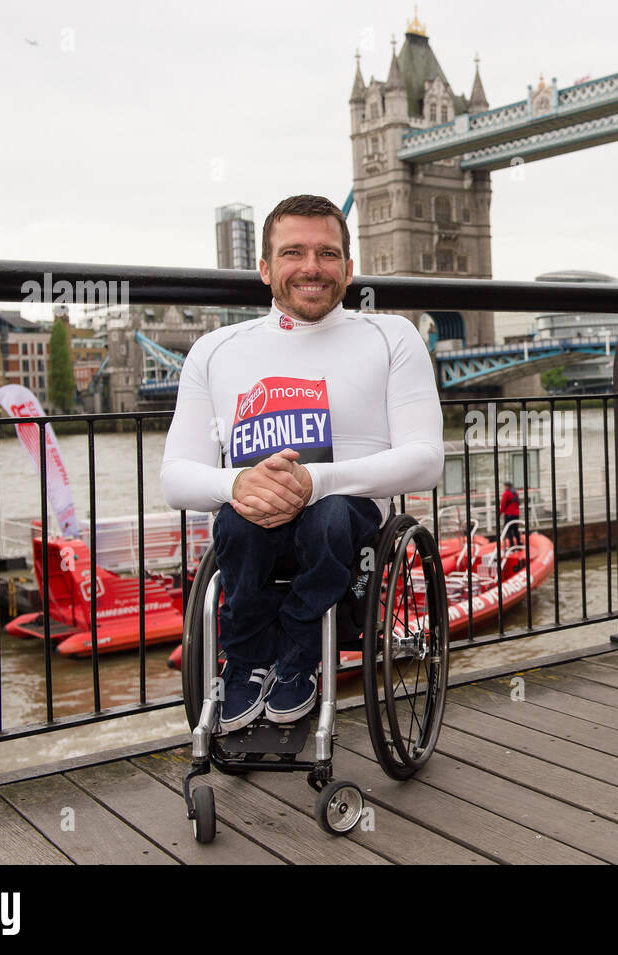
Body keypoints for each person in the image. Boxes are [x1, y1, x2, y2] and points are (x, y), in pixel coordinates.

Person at [161, 194, 444, 732]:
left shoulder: (391, 336)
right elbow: (175, 477)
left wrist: (317, 480)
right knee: (235, 518)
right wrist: (239, 481)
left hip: (350, 519)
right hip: (251, 516)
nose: (311, 267)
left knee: (329, 514)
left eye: (327, 254)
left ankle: (299, 650)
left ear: (349, 268)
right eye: (293, 252)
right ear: (265, 269)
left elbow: (427, 460)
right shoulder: (215, 350)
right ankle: (245, 659)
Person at [499, 480, 521, 547]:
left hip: (509, 515)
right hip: (516, 514)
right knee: (515, 529)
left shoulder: (506, 494)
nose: (504, 487)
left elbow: (503, 505)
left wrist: (499, 514)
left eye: (504, 486)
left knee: (508, 530)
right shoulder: (516, 493)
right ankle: (519, 542)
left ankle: (511, 545)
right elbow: (518, 503)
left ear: (507, 486)